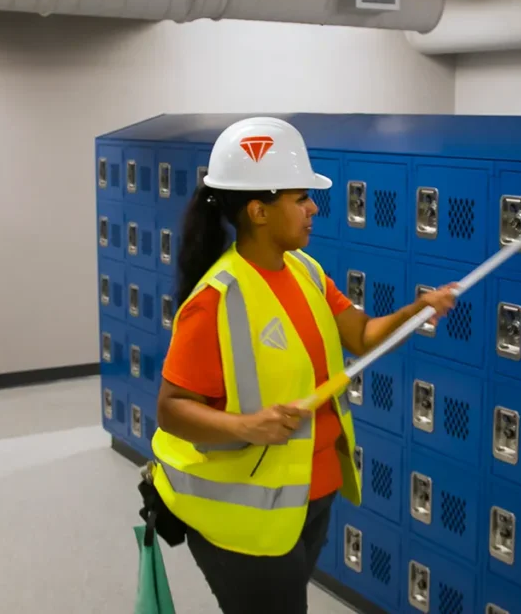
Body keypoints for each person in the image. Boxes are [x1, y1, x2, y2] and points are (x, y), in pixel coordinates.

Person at [146, 116, 457, 613]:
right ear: (259, 211)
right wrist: (246, 425)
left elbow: (361, 334)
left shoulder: (305, 271)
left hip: (310, 495)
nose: (314, 208)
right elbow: (171, 409)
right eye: (300, 198)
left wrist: (416, 312)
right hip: (249, 515)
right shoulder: (216, 301)